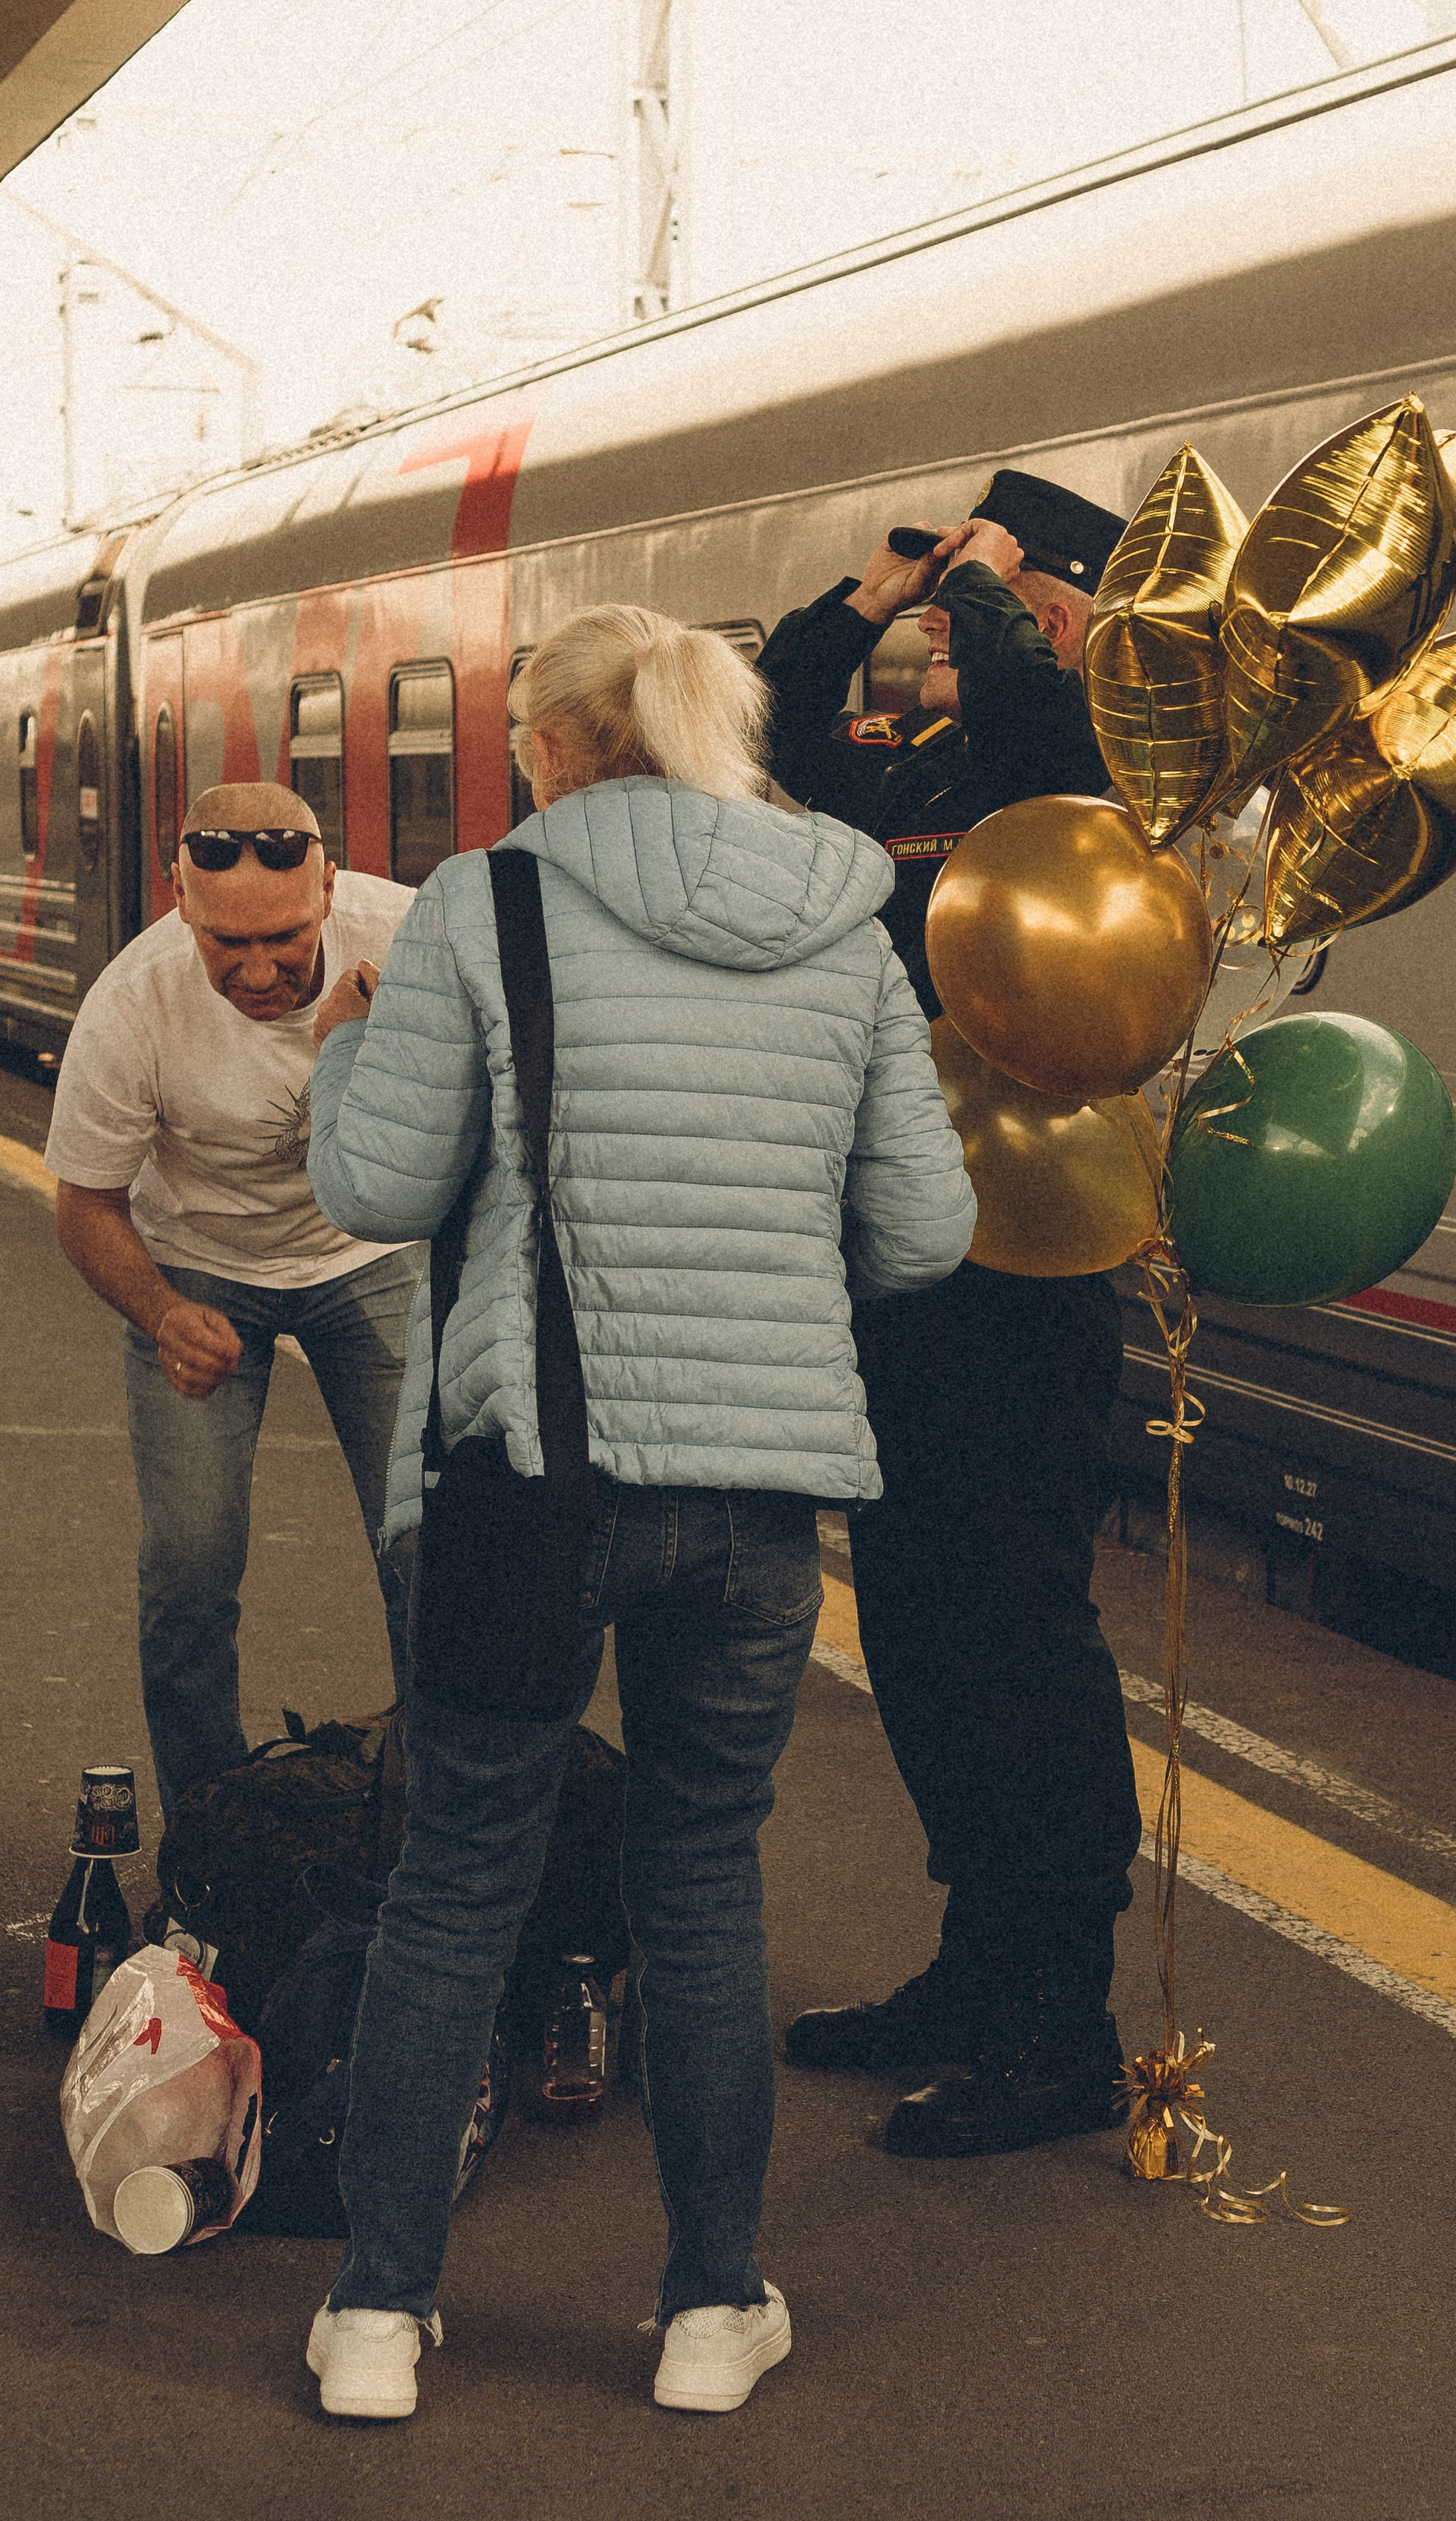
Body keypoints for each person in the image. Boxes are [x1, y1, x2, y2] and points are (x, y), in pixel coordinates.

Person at [297, 601, 974, 2424]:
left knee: (462, 1877)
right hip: (756, 1499)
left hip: (534, 1481)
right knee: (699, 1879)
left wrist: (350, 1045)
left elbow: (375, 1183)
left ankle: (378, 2318)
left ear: (556, 744)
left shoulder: (486, 903)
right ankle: (708, 2313)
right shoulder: (847, 918)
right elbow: (924, 1231)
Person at [757, 469, 1148, 2163]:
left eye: (990, 605)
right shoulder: (915, 779)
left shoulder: (1092, 773)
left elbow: (1053, 729)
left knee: (1020, 1642)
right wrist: (861, 604)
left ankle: (1062, 2026)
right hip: (904, 1269)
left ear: (1057, 616)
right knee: (918, 1633)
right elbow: (775, 724)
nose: (946, 634)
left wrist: (991, 597)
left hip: (1036, 1278)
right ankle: (975, 1965)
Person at [45, 784, 419, 1818]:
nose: (258, 971)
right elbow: (84, 1205)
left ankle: (436, 1825)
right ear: (181, 904)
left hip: (371, 1249)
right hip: (195, 1268)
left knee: (428, 1547)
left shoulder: (413, 939)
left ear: (330, 888)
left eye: (285, 937)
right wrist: (163, 1313)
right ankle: (210, 1834)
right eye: (227, 944)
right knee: (189, 1571)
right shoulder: (133, 1001)